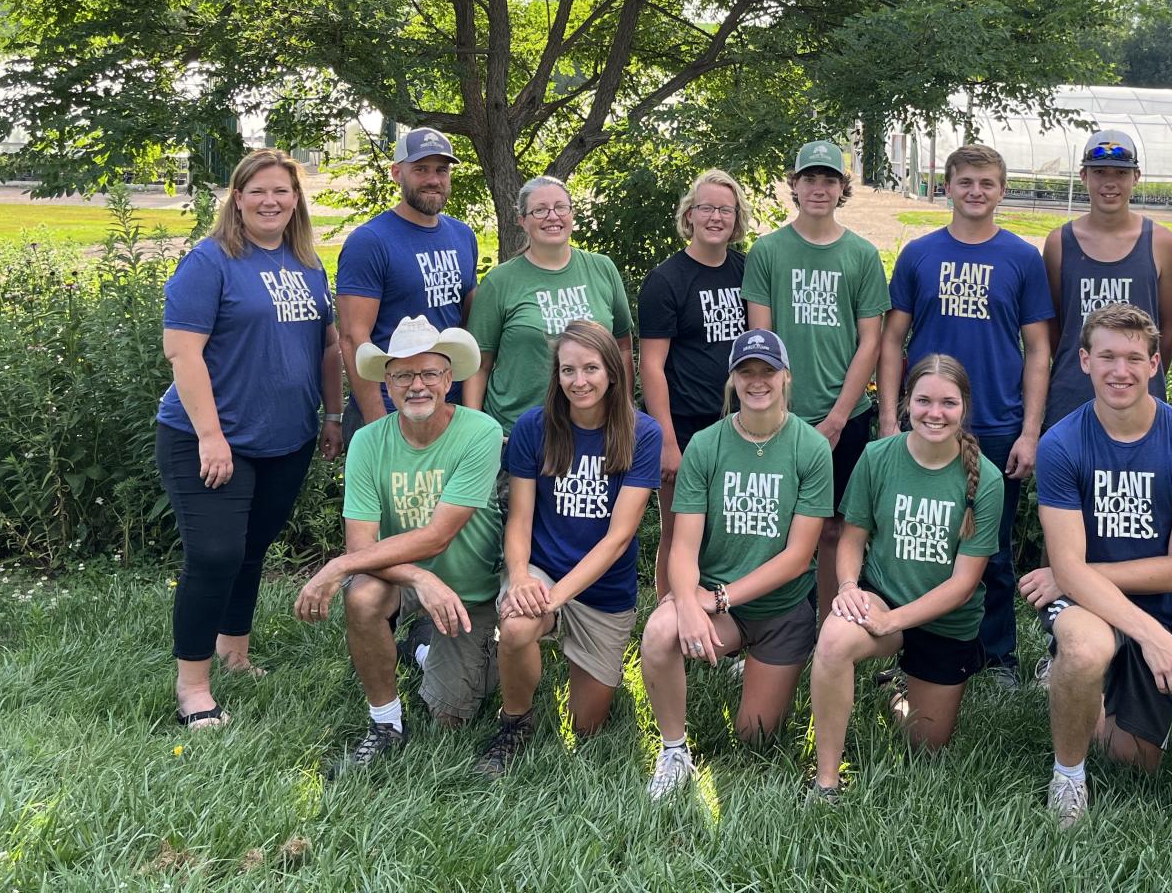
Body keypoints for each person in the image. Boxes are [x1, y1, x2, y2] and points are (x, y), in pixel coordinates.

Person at [156, 148, 342, 730]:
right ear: (237, 198)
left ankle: (233, 653)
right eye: (257, 190)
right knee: (215, 555)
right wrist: (211, 436)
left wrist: (333, 415)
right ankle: (193, 687)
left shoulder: (307, 263)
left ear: (296, 199)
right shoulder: (210, 261)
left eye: (281, 191)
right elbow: (182, 352)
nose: (270, 201)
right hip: (211, 439)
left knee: (250, 550)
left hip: (287, 439)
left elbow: (328, 346)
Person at [1022, 301, 1172, 827]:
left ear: (1155, 364)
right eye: (1107, 356)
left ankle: (1082, 694)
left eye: (1134, 358)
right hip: (1086, 605)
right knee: (1086, 648)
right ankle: (1068, 776)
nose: (1120, 371)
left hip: (1158, 603)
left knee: (1135, 762)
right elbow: (1069, 569)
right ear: (1084, 361)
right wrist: (1149, 637)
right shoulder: (1062, 443)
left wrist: (1068, 574)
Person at [292, 317, 503, 771]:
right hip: (403, 579)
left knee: (450, 717)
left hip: (469, 589)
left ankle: (419, 649)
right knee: (363, 595)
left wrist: (335, 567)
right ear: (387, 383)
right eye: (404, 375)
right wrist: (419, 579)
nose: (417, 385)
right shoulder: (368, 441)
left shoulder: (481, 432)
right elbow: (360, 544)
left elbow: (438, 535)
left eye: (428, 373)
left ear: (448, 378)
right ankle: (385, 724)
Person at [877, 143, 1051, 686]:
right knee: (918, 542)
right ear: (947, 187)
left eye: (987, 183)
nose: (976, 192)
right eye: (966, 181)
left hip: (996, 423)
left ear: (1002, 190)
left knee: (990, 549)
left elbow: (1038, 350)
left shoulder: (1022, 258)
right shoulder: (919, 254)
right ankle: (909, 652)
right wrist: (889, 419)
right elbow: (891, 340)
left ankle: (996, 657)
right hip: (926, 420)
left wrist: (1030, 431)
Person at [639, 329, 833, 798]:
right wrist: (687, 603)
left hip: (780, 610)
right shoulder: (707, 445)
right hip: (717, 606)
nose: (757, 381)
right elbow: (683, 545)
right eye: (746, 371)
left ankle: (757, 666)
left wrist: (719, 597)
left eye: (768, 371)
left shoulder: (811, 448)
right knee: (661, 630)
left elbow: (798, 558)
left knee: (755, 737)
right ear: (732, 379)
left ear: (786, 378)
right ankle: (674, 752)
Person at [811, 354, 1005, 798]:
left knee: (925, 747)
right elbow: (852, 539)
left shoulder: (986, 480)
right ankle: (826, 781)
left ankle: (895, 689)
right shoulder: (878, 456)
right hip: (882, 596)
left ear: (964, 406)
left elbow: (963, 585)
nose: (935, 413)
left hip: (944, 621)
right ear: (905, 403)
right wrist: (848, 586)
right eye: (923, 401)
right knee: (834, 640)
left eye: (948, 403)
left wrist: (894, 622)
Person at [482, 320, 662, 776]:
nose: (579, 381)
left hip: (604, 590)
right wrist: (521, 579)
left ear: (613, 372)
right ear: (556, 375)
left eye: (590, 368)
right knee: (518, 626)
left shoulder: (642, 433)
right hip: (542, 569)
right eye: (568, 370)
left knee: (587, 726)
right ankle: (515, 721)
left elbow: (618, 539)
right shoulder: (533, 427)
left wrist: (556, 598)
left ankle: (580, 666)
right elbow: (519, 518)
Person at [741, 140, 889, 615]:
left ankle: (828, 626)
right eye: (810, 179)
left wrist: (838, 419)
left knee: (832, 529)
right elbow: (760, 342)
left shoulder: (861, 255)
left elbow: (871, 342)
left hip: (844, 416)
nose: (819, 189)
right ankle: (772, 627)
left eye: (830, 179)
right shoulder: (768, 251)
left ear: (843, 187)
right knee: (775, 526)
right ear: (794, 184)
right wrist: (777, 411)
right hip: (779, 415)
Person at [639, 169, 749, 596]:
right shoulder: (666, 280)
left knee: (729, 527)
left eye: (726, 210)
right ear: (689, 215)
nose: (715, 217)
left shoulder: (746, 271)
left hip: (738, 423)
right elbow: (652, 366)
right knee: (678, 528)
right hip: (684, 424)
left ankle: (722, 612)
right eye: (706, 208)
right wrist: (666, 440)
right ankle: (668, 615)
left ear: (736, 219)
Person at [335, 127, 480, 438]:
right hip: (391, 408)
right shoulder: (370, 242)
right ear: (396, 173)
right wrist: (379, 427)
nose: (433, 179)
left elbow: (468, 324)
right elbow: (352, 338)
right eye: (421, 169)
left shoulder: (462, 235)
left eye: (441, 170)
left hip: (445, 407)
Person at [467, 175, 634, 436]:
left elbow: (623, 347)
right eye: (540, 210)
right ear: (522, 221)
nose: (552, 216)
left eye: (560, 207)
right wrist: (477, 432)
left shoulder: (602, 268)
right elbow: (479, 366)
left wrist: (624, 412)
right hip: (518, 433)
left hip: (593, 429)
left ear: (572, 214)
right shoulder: (499, 282)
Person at [1042, 130, 1172, 426]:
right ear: (1084, 176)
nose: (1110, 182)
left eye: (1120, 173)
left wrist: (1139, 374)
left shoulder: (1161, 242)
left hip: (1139, 400)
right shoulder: (1059, 244)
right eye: (1099, 172)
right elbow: (1054, 329)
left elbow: (1168, 329)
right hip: (1071, 399)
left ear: (1136, 177)